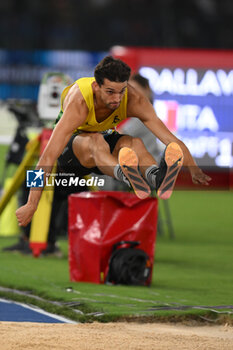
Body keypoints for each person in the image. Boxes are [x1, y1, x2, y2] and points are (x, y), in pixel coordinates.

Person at [16, 56, 211, 227]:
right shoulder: (80, 102)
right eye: (110, 92)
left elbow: (171, 139)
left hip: (103, 150)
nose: (117, 99)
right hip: (72, 157)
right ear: (96, 86)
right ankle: (126, 173)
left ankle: (154, 176)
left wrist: (193, 167)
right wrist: (32, 204)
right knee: (95, 141)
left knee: (133, 143)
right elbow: (47, 156)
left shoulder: (134, 99)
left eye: (121, 91)